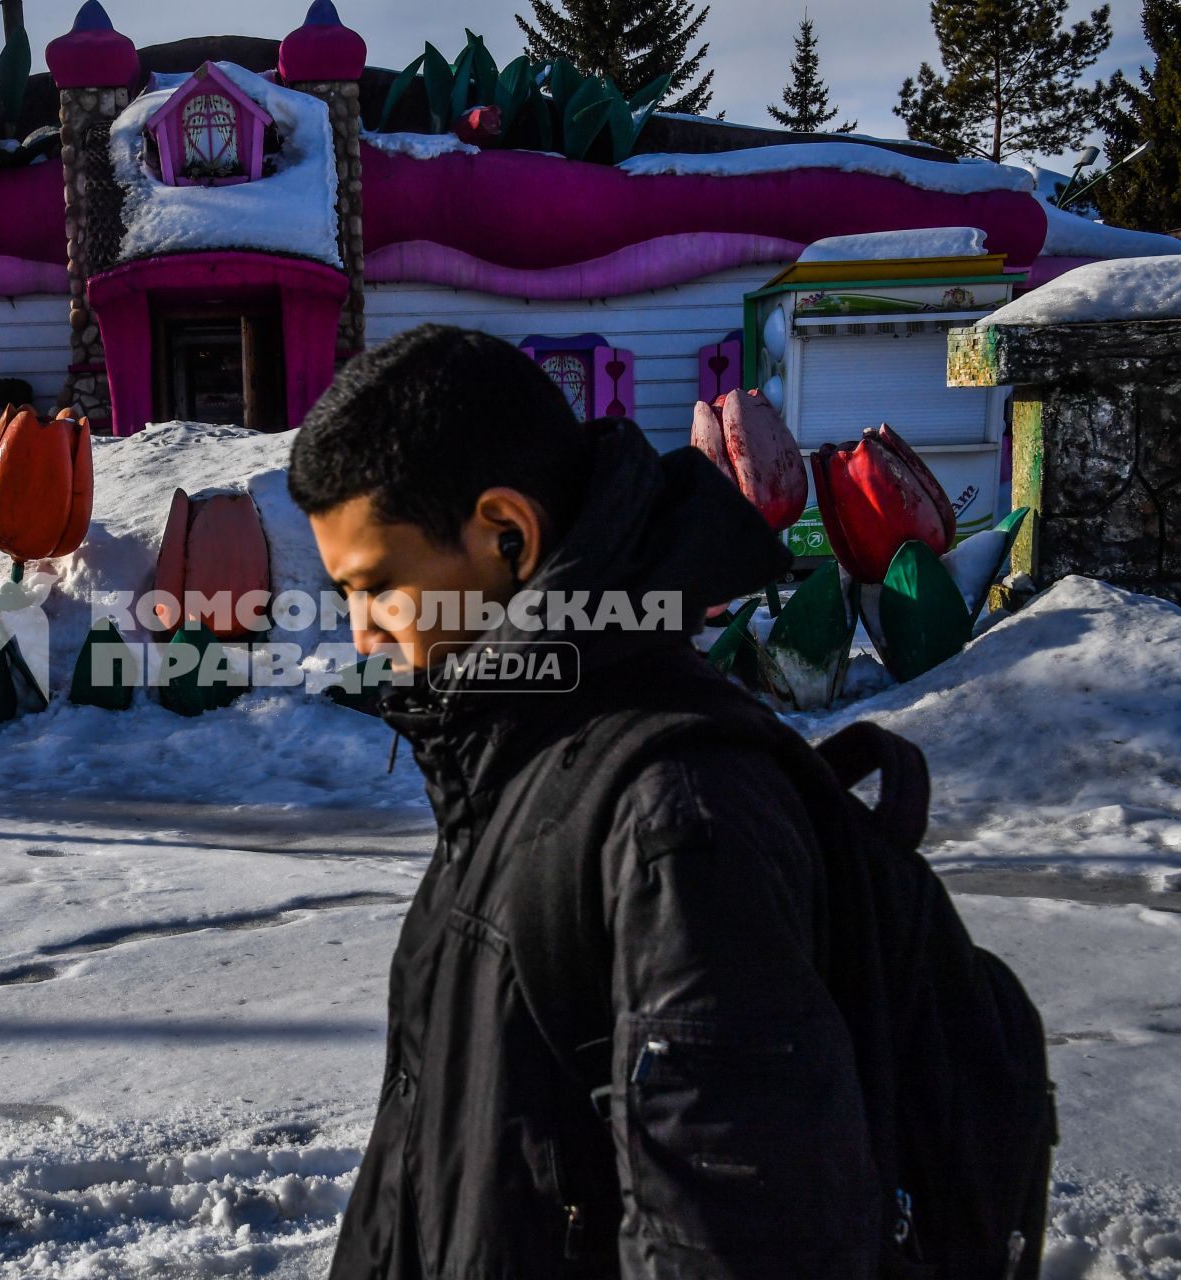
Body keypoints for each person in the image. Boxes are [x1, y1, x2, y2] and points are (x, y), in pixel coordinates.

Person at [288, 324, 881, 1278]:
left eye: (379, 588)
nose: (362, 635)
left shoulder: (673, 815)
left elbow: (738, 1241)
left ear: (507, 536)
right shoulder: (521, 757)